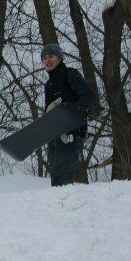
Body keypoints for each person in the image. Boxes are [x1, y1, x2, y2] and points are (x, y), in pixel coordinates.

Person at [40, 43, 96, 187]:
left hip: (71, 132)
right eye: (44, 58)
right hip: (55, 135)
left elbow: (90, 96)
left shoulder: (70, 74)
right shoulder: (49, 85)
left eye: (51, 56)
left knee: (64, 174)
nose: (48, 60)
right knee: (56, 176)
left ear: (59, 58)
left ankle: (70, 199)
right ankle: (59, 201)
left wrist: (73, 111)